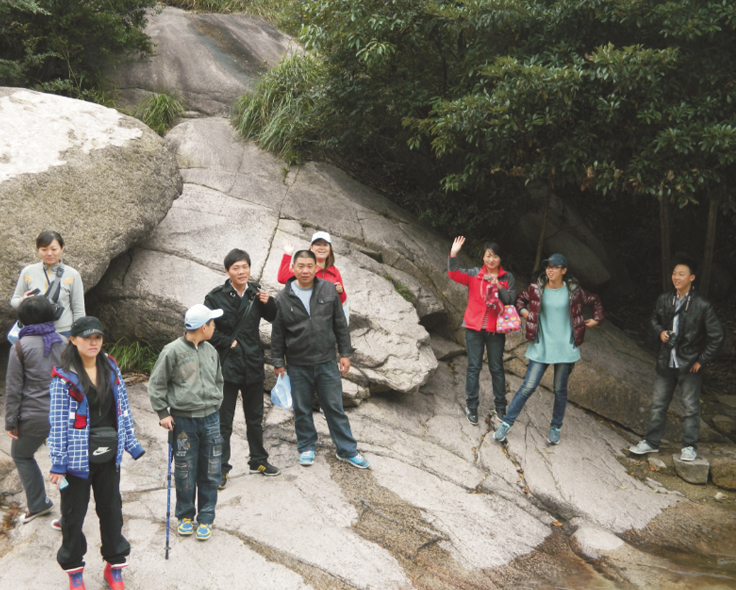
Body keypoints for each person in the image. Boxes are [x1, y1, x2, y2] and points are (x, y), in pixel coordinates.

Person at [48, 317, 145, 590]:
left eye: (98, 338)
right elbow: (57, 423)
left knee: (112, 511)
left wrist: (131, 444)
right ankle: (74, 570)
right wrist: (58, 462)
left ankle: (114, 566)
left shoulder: (111, 368)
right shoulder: (63, 377)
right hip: (76, 461)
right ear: (73, 339)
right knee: (73, 517)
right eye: (87, 338)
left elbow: (123, 409)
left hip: (108, 456)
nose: (93, 343)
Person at [271, 250, 369, 469]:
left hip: (326, 361)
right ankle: (306, 446)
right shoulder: (282, 298)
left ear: (317, 268)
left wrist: (345, 354)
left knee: (334, 407)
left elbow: (339, 324)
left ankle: (347, 450)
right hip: (298, 364)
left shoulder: (328, 289)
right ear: (292, 268)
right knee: (302, 408)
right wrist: (278, 362)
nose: (305, 270)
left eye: (309, 266)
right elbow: (278, 333)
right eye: (300, 266)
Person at [493, 254, 604, 445]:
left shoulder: (574, 291)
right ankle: (506, 424)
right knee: (528, 386)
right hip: (541, 345)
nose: (550, 270)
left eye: (555, 267)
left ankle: (555, 428)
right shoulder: (537, 288)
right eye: (548, 267)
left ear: (564, 271)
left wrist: (596, 319)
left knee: (560, 390)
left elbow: (595, 300)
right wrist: (524, 312)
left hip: (565, 347)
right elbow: (519, 299)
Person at [629, 255, 724, 462]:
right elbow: (653, 319)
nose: (676, 277)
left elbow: (717, 336)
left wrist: (701, 361)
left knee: (690, 409)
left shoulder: (702, 305)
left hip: (689, 364)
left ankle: (689, 447)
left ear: (692, 277)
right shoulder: (665, 299)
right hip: (666, 361)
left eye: (681, 274)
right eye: (674, 273)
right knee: (658, 405)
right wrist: (660, 332)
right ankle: (651, 442)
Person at [204, 248, 280, 489]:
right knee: (223, 422)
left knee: (255, 418)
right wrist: (227, 341)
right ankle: (220, 468)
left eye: (245, 266)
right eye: (236, 268)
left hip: (252, 363)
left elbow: (274, 317)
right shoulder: (215, 297)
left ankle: (258, 460)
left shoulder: (256, 293)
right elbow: (206, 329)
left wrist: (270, 302)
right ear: (227, 271)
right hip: (227, 364)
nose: (241, 271)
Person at [148, 304, 225, 542]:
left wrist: (216, 402)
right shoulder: (172, 351)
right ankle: (184, 516)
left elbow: (219, 380)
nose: (214, 327)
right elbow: (157, 383)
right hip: (183, 422)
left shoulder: (211, 350)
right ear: (203, 327)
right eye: (212, 323)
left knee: (211, 471)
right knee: (184, 471)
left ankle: (206, 518)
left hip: (211, 419)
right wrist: (163, 413)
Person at [5, 297, 66, 526]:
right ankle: (69, 514)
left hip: (34, 417)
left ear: (22, 318)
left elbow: (13, 388)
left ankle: (39, 504)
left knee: (22, 455)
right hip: (64, 415)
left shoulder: (20, 347)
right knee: (67, 463)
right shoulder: (65, 342)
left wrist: (11, 421)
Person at [448, 236, 517, 425]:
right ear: (483, 257)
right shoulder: (474, 273)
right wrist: (453, 253)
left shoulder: (507, 277)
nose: (491, 259)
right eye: (488, 255)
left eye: (495, 256)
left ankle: (500, 406)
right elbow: (453, 274)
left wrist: (498, 285)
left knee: (497, 368)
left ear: (500, 259)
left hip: (496, 331)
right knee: (473, 367)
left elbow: (510, 301)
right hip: (474, 329)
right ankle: (472, 406)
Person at [10, 231, 85, 336]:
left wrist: (78, 334)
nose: (49, 253)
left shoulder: (72, 274)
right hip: (34, 332)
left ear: (62, 248)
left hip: (63, 332)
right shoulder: (28, 272)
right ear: (38, 250)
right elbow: (14, 301)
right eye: (44, 249)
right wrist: (23, 301)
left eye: (54, 249)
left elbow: (78, 310)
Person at [278, 231, 348, 320]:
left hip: (325, 320)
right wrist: (287, 255)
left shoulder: (334, 271)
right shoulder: (304, 269)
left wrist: (340, 291)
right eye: (318, 244)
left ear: (330, 249)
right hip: (302, 318)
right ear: (311, 248)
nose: (322, 248)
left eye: (325, 245)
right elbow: (282, 278)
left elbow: (341, 301)